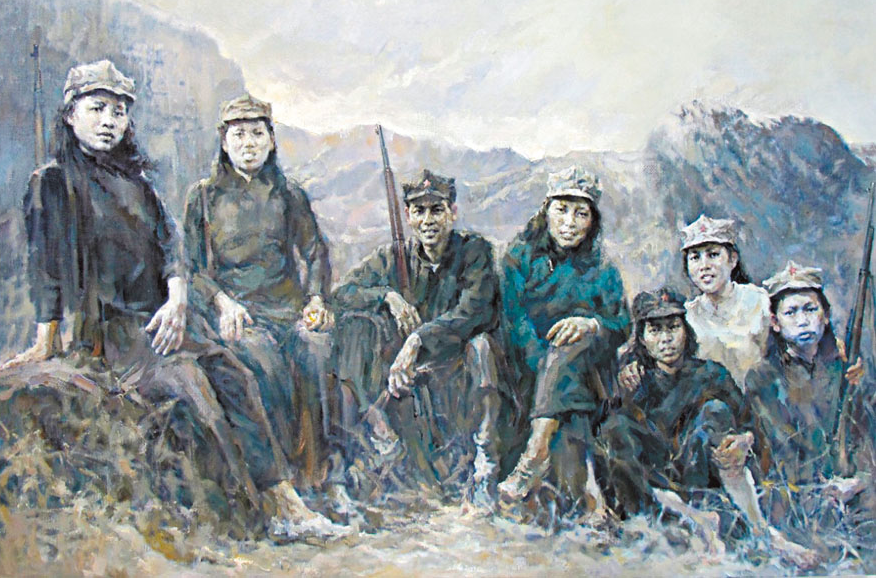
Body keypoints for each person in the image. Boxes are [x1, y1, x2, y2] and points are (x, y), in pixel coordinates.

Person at [13, 63, 336, 536]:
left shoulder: (137, 185)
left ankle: (284, 503)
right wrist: (47, 339)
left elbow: (171, 248)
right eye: (97, 109)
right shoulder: (53, 182)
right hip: (110, 328)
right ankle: (247, 515)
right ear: (70, 115)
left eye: (119, 112)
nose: (109, 121)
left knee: (235, 374)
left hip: (161, 316)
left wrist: (178, 296)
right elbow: (45, 269)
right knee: (189, 386)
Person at [183, 94, 352, 527]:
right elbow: (192, 270)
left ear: (271, 140)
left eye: (257, 134)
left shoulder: (289, 195)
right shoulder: (203, 199)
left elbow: (315, 253)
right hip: (239, 316)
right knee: (264, 362)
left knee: (316, 351)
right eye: (239, 135)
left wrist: (316, 300)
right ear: (224, 143)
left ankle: (324, 475)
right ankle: (283, 487)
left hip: (289, 311)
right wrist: (222, 302)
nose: (249, 143)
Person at [604, 289, 817, 567]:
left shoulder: (711, 374)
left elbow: (749, 424)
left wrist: (743, 440)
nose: (666, 339)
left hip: (704, 474)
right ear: (642, 339)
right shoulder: (634, 380)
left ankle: (760, 531)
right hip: (658, 488)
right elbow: (616, 445)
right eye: (655, 331)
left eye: (673, 327)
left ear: (686, 331)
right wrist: (623, 388)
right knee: (617, 426)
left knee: (715, 410)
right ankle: (694, 523)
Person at [332, 169, 505, 509]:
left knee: (482, 347)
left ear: (452, 213)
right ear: (408, 217)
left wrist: (418, 340)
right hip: (412, 375)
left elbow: (475, 311)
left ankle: (485, 462)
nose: (428, 220)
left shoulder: (474, 252)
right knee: (355, 327)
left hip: (458, 363)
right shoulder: (393, 258)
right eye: (419, 211)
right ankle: (381, 442)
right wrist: (387, 296)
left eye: (437, 210)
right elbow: (341, 294)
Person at [497, 166, 629, 521]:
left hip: (590, 373)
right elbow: (514, 319)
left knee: (572, 344)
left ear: (592, 221)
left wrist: (591, 324)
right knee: (561, 360)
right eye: (562, 210)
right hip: (528, 369)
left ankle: (535, 454)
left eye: (581, 213)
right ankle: (591, 498)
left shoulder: (603, 268)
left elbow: (622, 324)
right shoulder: (519, 257)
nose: (570, 222)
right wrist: (546, 364)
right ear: (546, 211)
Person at [746, 261, 869, 503]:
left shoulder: (844, 371)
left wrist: (858, 481)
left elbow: (863, 436)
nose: (802, 320)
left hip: (849, 491)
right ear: (775, 323)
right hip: (793, 495)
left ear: (826, 316)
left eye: (810, 309)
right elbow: (781, 447)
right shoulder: (763, 377)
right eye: (790, 312)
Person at [680, 215, 768, 390]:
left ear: (733, 259)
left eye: (713, 255)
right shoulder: (688, 315)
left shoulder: (758, 301)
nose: (704, 265)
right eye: (695, 258)